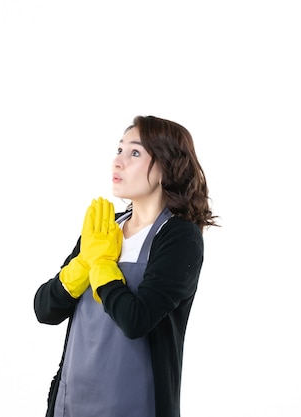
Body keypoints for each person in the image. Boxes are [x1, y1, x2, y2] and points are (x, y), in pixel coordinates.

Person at [34, 115, 218, 417]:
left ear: (165, 166)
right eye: (119, 150)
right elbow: (45, 310)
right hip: (72, 401)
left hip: (135, 405)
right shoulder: (104, 229)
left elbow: (137, 319)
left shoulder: (178, 236)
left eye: (134, 153)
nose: (118, 162)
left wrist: (104, 266)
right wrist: (82, 264)